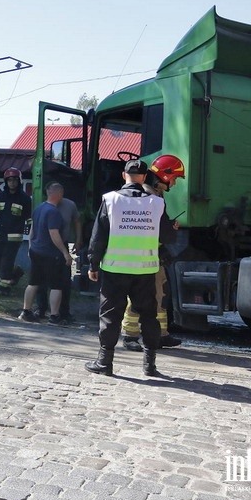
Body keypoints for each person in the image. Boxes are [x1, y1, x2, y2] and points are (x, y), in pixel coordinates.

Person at [85, 159, 176, 377]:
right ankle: (150, 366)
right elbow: (167, 237)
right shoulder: (156, 203)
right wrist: (173, 229)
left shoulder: (110, 200)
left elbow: (98, 237)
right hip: (145, 271)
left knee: (110, 316)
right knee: (149, 317)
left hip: (115, 270)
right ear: (145, 178)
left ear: (123, 175)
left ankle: (104, 362)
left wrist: (92, 264)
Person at [121, 154, 186, 351]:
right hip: (143, 256)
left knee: (160, 294)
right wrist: (170, 230)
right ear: (164, 176)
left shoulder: (153, 195)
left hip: (153, 255)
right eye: (174, 178)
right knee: (139, 297)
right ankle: (129, 335)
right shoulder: (150, 197)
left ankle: (161, 334)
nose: (174, 183)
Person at [18, 182, 73, 325]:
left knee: (33, 282)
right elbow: (54, 233)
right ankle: (54, 316)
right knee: (56, 285)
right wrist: (65, 253)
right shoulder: (53, 212)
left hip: (36, 251)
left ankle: (26, 311)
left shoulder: (38, 208)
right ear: (60, 194)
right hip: (51, 253)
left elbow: (32, 230)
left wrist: (30, 247)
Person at [33, 188, 83, 323]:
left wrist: (78, 240)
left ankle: (63, 311)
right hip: (46, 247)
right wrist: (31, 244)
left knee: (64, 281)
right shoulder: (44, 207)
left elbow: (77, 221)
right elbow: (35, 227)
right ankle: (41, 308)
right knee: (41, 279)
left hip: (63, 245)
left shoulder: (69, 205)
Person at [0, 167, 31, 295]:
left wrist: (31, 228)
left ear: (19, 181)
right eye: (10, 180)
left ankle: (4, 288)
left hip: (14, 237)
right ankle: (16, 272)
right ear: (6, 182)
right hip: (0, 235)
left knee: (6, 261)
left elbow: (29, 217)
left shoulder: (25, 199)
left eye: (15, 180)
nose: (12, 183)